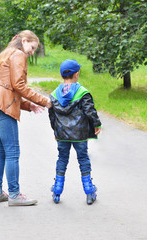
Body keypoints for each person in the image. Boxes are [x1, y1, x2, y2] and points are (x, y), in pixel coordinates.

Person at [0, 30, 52, 206]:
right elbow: (18, 85)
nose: (32, 52)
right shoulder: (18, 54)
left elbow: (6, 87)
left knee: (0, 150)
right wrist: (44, 100)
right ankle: (14, 194)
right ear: (24, 40)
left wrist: (29, 105)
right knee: (12, 152)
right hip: (3, 108)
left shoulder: (3, 54)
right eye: (32, 47)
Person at [48, 59, 102, 205]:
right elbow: (90, 111)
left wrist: (55, 131)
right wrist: (96, 124)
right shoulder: (82, 92)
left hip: (62, 135)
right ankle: (89, 191)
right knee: (83, 159)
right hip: (79, 135)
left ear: (61, 76)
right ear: (77, 74)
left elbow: (52, 115)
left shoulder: (54, 94)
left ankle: (57, 190)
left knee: (62, 159)